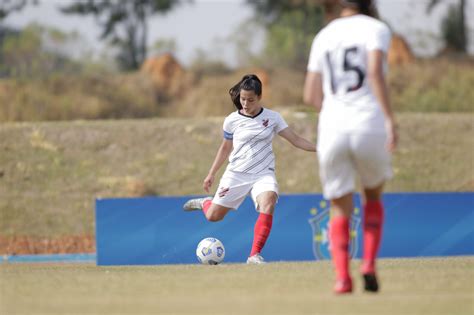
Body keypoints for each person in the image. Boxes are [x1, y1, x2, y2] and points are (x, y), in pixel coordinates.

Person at [303, 0, 398, 294]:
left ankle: (342, 278)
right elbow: (373, 73)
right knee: (372, 196)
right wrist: (390, 119)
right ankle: (368, 264)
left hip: (332, 128)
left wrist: (332, 113)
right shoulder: (377, 28)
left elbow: (310, 94)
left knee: (339, 206)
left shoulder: (324, 35)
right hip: (368, 122)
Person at [183, 74, 316, 264]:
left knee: (268, 200)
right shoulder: (231, 120)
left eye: (250, 100)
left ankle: (254, 255)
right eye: (242, 99)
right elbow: (225, 147)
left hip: (263, 173)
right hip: (236, 174)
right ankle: (206, 203)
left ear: (259, 97)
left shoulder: (273, 118)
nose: (245, 103)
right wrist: (211, 173)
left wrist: (320, 148)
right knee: (213, 216)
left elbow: (296, 139)